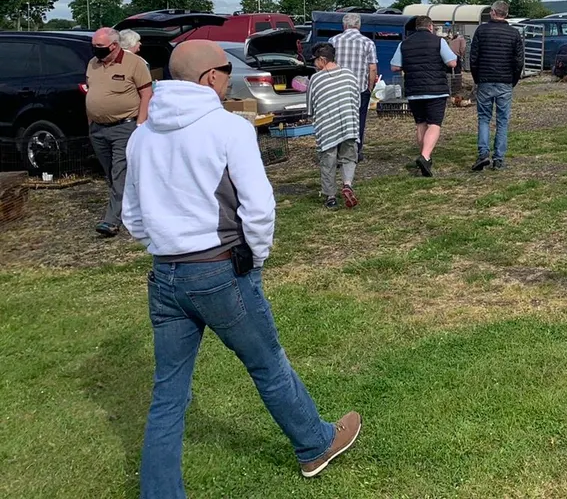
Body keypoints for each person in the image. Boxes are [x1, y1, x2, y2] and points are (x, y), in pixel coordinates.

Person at [122, 40, 361, 497]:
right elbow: (259, 206)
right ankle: (315, 444)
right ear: (210, 76)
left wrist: (165, 245)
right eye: (225, 70)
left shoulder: (142, 135)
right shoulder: (227, 128)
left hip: (165, 275)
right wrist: (256, 259)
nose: (229, 78)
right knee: (268, 364)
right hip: (220, 271)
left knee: (168, 392)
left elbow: (133, 215)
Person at [87, 26, 152, 237]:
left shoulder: (135, 64)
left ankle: (111, 221)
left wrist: (140, 124)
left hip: (124, 126)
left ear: (114, 46)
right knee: (111, 174)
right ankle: (135, 208)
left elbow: (146, 93)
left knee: (120, 172)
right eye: (94, 46)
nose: (96, 50)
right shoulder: (93, 64)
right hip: (98, 129)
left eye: (100, 46)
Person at [391, 16, 457, 177]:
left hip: (414, 90)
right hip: (436, 90)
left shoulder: (404, 44)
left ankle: (425, 156)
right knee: (434, 124)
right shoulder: (438, 41)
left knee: (421, 124)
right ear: (430, 27)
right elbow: (452, 62)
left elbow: (394, 67)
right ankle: (425, 156)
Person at [470, 0, 524, 171]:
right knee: (502, 121)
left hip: (485, 79)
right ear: (506, 14)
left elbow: (473, 58)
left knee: (484, 118)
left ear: (493, 12)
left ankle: (483, 153)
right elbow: (519, 61)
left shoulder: (481, 30)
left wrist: (477, 78)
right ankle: (499, 158)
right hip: (505, 81)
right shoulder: (514, 34)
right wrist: (513, 79)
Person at [307, 43, 361, 208]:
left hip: (327, 127)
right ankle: (347, 184)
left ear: (322, 60)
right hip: (349, 123)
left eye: (315, 60)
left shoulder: (315, 79)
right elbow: (356, 100)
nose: (314, 64)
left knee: (328, 161)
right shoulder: (349, 74)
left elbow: (311, 108)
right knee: (349, 157)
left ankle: (330, 197)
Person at [329, 14, 378, 163]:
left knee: (338, 119)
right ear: (359, 25)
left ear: (344, 26)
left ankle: (337, 151)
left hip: (337, 87)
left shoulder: (333, 41)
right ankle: (355, 151)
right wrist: (370, 87)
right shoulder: (367, 43)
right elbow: (372, 68)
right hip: (359, 87)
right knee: (358, 120)